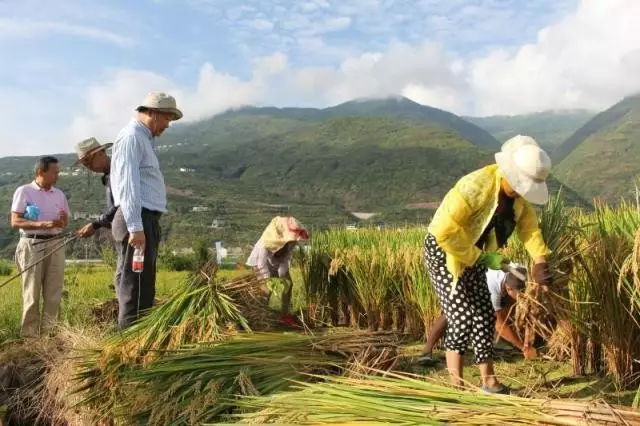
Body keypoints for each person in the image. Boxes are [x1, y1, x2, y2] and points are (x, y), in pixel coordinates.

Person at [423, 135, 553, 394]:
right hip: (444, 252)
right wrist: (482, 258)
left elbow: (530, 230)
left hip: (477, 254)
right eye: (521, 185)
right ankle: (456, 386)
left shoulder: (518, 200)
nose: (521, 191)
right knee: (460, 317)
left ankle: (489, 381)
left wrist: (540, 262)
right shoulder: (473, 187)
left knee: (483, 314)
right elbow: (444, 233)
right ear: (510, 173)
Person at [110, 92, 182, 329]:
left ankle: (138, 339)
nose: (166, 126)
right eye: (166, 120)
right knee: (134, 287)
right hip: (137, 219)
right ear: (152, 113)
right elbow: (128, 185)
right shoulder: (132, 137)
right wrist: (135, 227)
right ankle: (125, 344)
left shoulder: (144, 139)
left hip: (144, 220)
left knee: (144, 286)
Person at [419, 264, 538, 364]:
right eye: (520, 294)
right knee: (450, 313)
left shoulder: (519, 271)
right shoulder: (493, 288)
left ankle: (499, 342)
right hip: (462, 279)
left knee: (504, 309)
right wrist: (523, 348)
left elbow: (519, 309)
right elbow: (499, 324)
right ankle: (427, 351)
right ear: (508, 288)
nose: (523, 297)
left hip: (479, 274)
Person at [10, 156, 70, 337]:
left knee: (54, 294)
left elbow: (64, 221)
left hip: (56, 243)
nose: (57, 176)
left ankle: (49, 337)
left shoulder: (59, 194)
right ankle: (30, 338)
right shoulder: (24, 191)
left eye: (58, 172)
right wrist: (41, 225)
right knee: (31, 293)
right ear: (40, 172)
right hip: (32, 243)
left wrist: (61, 221)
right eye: (54, 172)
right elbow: (15, 221)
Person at [71, 137, 120, 289]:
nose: (88, 167)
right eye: (85, 164)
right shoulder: (109, 174)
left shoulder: (119, 172)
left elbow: (120, 205)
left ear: (101, 153)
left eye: (88, 161)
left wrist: (95, 224)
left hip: (133, 230)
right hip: (122, 230)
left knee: (127, 277)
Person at [246, 216, 309, 323]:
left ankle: (284, 313)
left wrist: (282, 277)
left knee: (288, 284)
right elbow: (261, 263)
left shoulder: (291, 242)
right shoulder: (266, 240)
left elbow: (285, 259)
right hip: (261, 265)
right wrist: (268, 279)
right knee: (266, 289)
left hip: (277, 263)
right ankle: (260, 314)